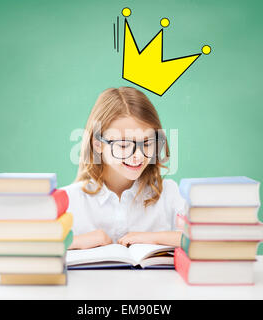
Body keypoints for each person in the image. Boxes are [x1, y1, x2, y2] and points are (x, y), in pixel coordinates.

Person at [62, 87, 187, 249]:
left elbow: (203, 239)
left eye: (148, 143)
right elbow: (33, 245)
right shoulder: (71, 200)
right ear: (98, 144)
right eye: (123, 145)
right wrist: (75, 242)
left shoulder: (169, 194)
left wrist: (155, 238)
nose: (139, 156)